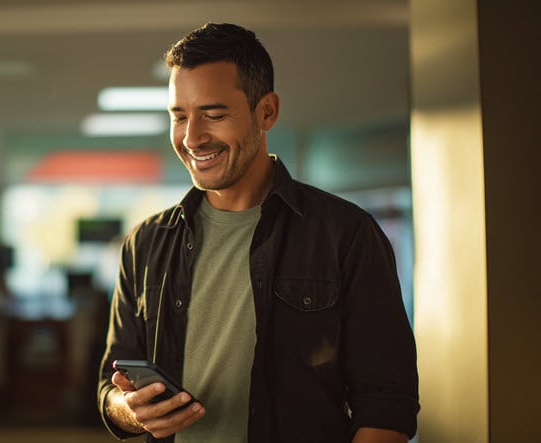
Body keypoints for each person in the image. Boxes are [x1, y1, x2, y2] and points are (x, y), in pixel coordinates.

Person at [98, 23, 419, 443]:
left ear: (266, 111)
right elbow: (111, 385)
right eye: (180, 117)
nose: (192, 138)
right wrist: (130, 410)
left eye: (213, 115)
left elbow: (387, 400)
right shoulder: (145, 244)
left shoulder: (345, 233)